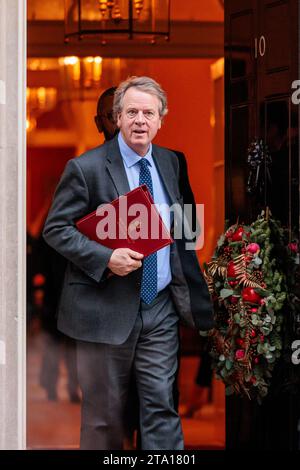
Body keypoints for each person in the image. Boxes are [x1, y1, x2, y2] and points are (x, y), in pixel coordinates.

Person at [43, 76, 213, 450]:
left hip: (160, 307)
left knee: (161, 410)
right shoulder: (85, 168)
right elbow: (55, 229)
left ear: (161, 119)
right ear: (117, 117)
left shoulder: (173, 162)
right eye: (132, 112)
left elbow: (185, 231)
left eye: (148, 113)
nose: (140, 120)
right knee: (105, 420)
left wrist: (195, 282)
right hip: (104, 309)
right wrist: (106, 257)